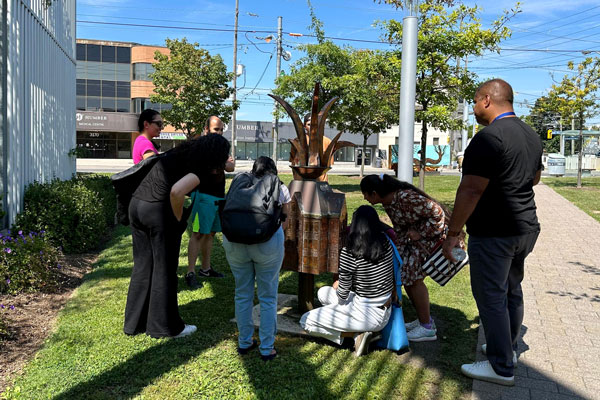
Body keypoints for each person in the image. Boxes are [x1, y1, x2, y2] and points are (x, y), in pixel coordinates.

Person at [442, 79, 542, 386]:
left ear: (487, 100)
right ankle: (506, 347)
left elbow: (470, 189)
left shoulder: (488, 139)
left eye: (473, 102)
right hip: (526, 228)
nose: (472, 108)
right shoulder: (530, 133)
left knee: (491, 296)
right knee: (511, 289)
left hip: (495, 232)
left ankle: (500, 366)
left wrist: (453, 232)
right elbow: (535, 177)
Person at [123, 134, 231, 338]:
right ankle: (165, 327)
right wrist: (178, 218)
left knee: (143, 265)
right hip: (156, 211)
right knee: (165, 268)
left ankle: (134, 323)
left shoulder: (179, 153)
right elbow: (176, 192)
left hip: (136, 206)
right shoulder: (200, 166)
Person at [361, 174, 460, 342]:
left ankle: (427, 328)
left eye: (365, 193)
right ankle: (425, 321)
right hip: (417, 243)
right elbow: (400, 229)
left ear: (375, 193)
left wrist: (420, 232)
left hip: (431, 241)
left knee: (413, 280)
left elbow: (438, 213)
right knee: (406, 276)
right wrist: (395, 255)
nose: (364, 197)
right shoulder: (389, 203)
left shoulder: (405, 198)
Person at [300, 205, 394, 356]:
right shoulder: (386, 243)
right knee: (323, 293)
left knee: (306, 320)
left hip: (364, 312)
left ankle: (353, 336)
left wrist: (339, 286)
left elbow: (342, 295)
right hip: (383, 309)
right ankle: (361, 331)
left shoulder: (350, 252)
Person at [222, 156, 291, 361]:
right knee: (268, 297)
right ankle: (266, 347)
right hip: (267, 243)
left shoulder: (240, 182)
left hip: (234, 241)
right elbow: (285, 219)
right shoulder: (280, 186)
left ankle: (244, 342)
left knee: (242, 293)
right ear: (273, 170)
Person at [185, 116, 235, 289]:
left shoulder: (220, 146)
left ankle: (206, 269)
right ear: (206, 129)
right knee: (197, 233)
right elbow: (221, 166)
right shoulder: (199, 146)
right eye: (216, 129)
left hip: (218, 197)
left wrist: (220, 164)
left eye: (221, 129)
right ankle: (190, 272)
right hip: (202, 197)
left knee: (211, 234)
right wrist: (221, 164)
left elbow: (231, 167)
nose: (219, 132)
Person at [289, 113, 333, 181]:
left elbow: (329, 163)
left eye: (315, 125)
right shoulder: (297, 141)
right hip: (300, 180)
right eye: (309, 124)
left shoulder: (327, 142)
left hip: (320, 180)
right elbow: (293, 162)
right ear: (304, 126)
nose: (312, 127)